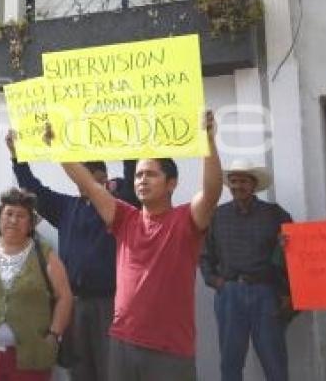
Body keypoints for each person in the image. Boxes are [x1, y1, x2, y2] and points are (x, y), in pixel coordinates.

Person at [58, 110, 222, 381]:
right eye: (138, 175)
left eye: (151, 174)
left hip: (169, 349)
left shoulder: (186, 219)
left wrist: (208, 142)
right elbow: (87, 182)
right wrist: (58, 147)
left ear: (172, 183)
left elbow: (212, 191)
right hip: (122, 342)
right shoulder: (124, 218)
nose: (142, 179)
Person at [5, 130, 138, 381]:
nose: (99, 186)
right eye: (92, 180)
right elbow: (33, 190)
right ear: (79, 180)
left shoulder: (120, 210)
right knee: (80, 372)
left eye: (103, 180)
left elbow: (132, 183)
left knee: (112, 372)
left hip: (110, 304)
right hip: (74, 305)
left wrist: (129, 137)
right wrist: (17, 156)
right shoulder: (66, 207)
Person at [0, 188, 73, 380]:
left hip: (32, 358)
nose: (14, 220)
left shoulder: (44, 254)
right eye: (8, 213)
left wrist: (53, 335)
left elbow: (64, 297)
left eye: (21, 215)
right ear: (0, 217)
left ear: (31, 223)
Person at [200, 159, 293, 381]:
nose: (237, 186)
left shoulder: (274, 214)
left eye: (242, 181)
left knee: (275, 362)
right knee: (230, 364)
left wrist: (288, 291)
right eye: (233, 181)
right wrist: (216, 282)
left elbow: (294, 252)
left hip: (266, 293)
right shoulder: (217, 215)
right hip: (230, 294)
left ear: (253, 184)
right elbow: (204, 256)